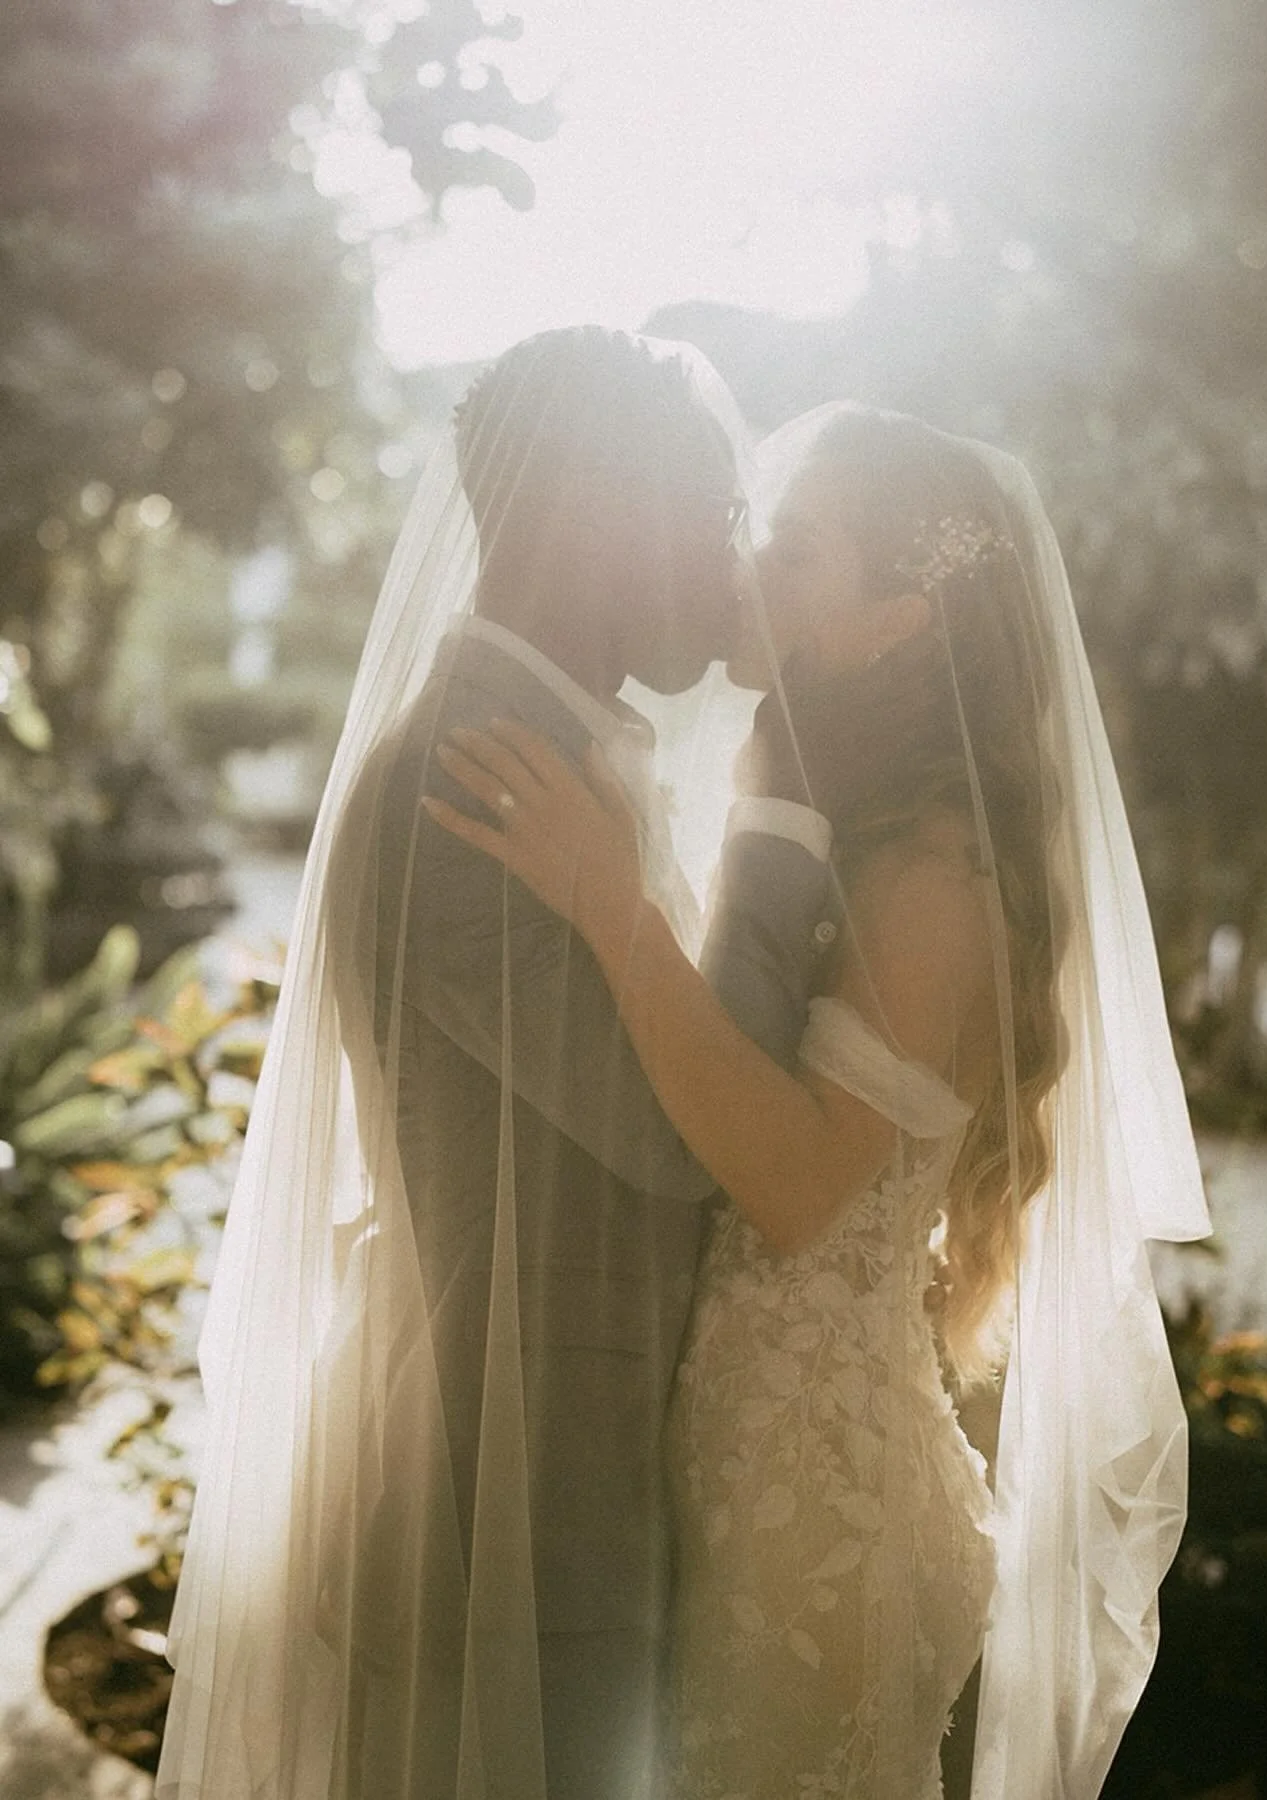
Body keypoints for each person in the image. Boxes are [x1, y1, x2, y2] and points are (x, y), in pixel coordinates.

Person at [427, 403, 1213, 1799]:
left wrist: (613, 908)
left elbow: (790, 1191)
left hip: (817, 1513)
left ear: (898, 619)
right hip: (762, 1458)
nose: (743, 568)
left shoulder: (932, 874)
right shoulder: (833, 816)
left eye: (792, 553)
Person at [155, 330, 870, 1800]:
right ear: (604, 514)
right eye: (714, 513)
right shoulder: (470, 782)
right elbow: (684, 1130)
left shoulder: (537, 748)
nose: (732, 560)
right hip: (530, 1513)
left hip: (581, 1497)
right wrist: (783, 808)